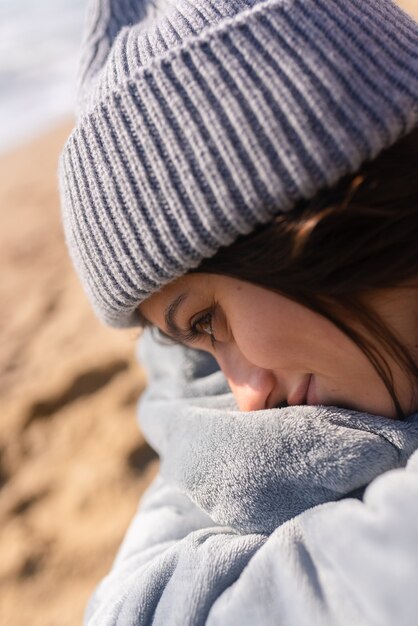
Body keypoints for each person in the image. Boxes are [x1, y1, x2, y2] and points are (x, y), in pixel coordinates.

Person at [59, 0, 418, 624]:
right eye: (199, 342)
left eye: (205, 319)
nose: (246, 398)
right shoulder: (217, 407)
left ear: (317, 211)